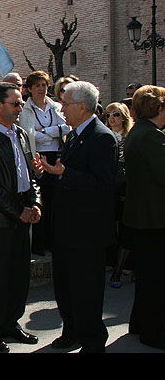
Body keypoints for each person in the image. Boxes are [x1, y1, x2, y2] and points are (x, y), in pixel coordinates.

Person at [40, 81, 118, 353]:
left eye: (66, 104)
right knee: (65, 286)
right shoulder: (73, 134)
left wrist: (64, 174)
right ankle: (71, 330)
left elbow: (104, 183)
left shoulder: (101, 137)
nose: (61, 108)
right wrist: (52, 172)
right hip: (66, 229)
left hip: (87, 232)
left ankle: (93, 342)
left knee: (86, 291)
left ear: (83, 107)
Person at [0, 82, 42, 353]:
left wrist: (36, 202)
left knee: (19, 275)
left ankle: (11, 323)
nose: (20, 108)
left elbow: (31, 174)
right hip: (1, 220)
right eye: (15, 103)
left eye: (21, 103)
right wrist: (18, 210)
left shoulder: (22, 133)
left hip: (23, 216)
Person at [120, 85, 165, 351]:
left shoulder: (142, 133)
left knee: (147, 276)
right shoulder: (150, 136)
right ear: (159, 109)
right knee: (156, 280)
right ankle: (152, 331)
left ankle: (139, 323)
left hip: (142, 217)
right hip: (153, 218)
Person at [19, 70, 69, 256]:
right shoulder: (25, 109)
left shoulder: (55, 106)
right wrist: (52, 131)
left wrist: (46, 131)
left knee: (55, 200)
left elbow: (67, 126)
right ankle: (38, 243)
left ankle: (52, 240)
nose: (41, 89)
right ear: (30, 89)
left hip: (56, 155)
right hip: (37, 157)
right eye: (37, 85)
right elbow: (28, 133)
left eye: (44, 85)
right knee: (40, 200)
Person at [105, 102, 134, 288]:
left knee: (125, 227)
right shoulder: (105, 136)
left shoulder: (130, 136)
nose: (112, 118)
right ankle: (110, 262)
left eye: (115, 114)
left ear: (123, 116)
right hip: (109, 187)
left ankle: (121, 269)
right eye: (108, 115)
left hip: (126, 188)